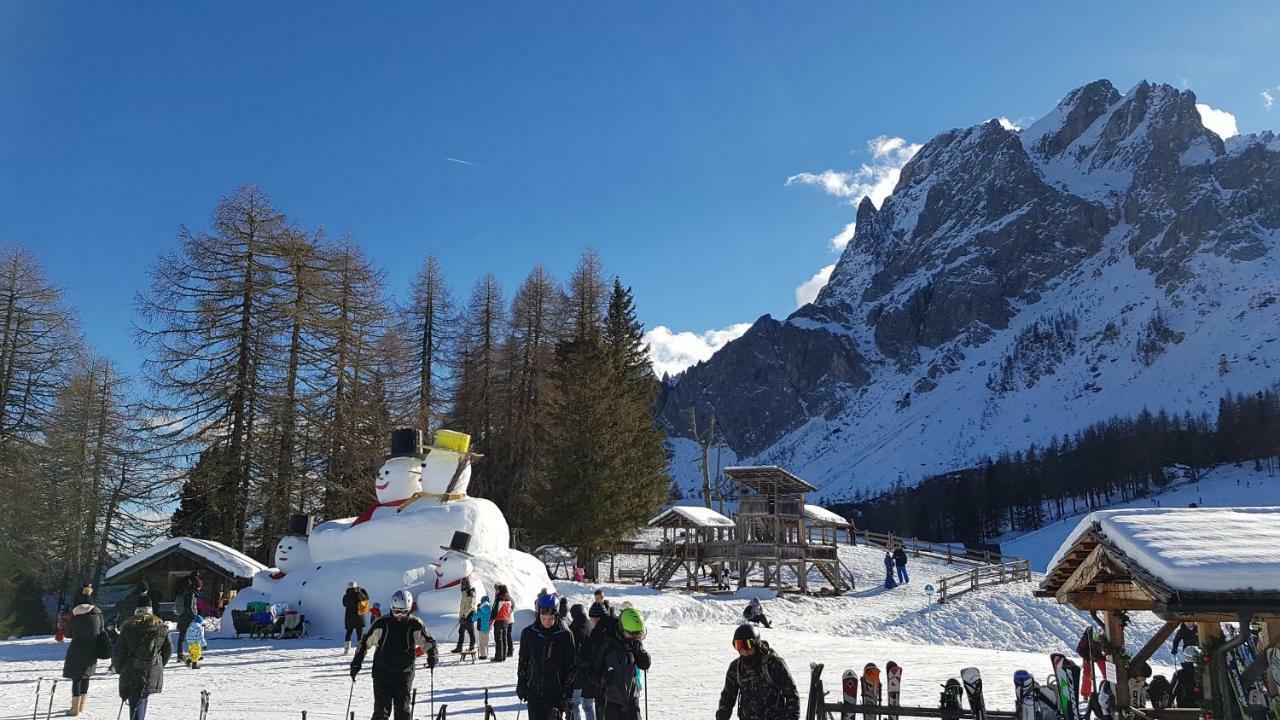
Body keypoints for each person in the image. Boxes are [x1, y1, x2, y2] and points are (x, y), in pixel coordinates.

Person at [350, 588, 438, 720]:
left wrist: (432, 654)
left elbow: (429, 641)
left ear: (409, 610)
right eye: (396, 611)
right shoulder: (381, 624)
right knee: (381, 711)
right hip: (382, 672)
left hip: (404, 672)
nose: (399, 615)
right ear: (391, 608)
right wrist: (357, 661)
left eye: (403, 612)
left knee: (402, 710)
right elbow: (364, 642)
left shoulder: (415, 624)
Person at [715, 624, 800, 720]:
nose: (743, 651)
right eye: (738, 645)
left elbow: (792, 695)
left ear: (756, 644)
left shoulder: (773, 664)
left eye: (747, 645)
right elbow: (727, 698)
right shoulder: (736, 667)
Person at [518, 593, 577, 720]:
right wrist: (521, 683)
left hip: (556, 693)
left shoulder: (565, 635)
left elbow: (571, 666)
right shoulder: (529, 633)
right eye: (543, 618)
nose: (547, 622)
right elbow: (523, 660)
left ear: (556, 615)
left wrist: (567, 694)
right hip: (534, 691)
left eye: (551, 618)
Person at [113, 593, 172, 720]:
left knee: (136, 699)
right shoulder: (161, 627)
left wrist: (119, 669)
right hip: (152, 668)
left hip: (132, 669)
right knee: (143, 697)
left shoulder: (129, 627)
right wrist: (159, 664)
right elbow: (168, 649)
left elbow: (119, 652)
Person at [592, 606, 651, 720]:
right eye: (633, 635)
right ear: (623, 629)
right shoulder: (605, 641)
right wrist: (601, 679)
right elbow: (589, 669)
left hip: (631, 699)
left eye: (638, 636)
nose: (635, 638)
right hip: (609, 702)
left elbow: (642, 662)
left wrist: (644, 658)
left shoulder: (633, 640)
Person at [62, 584, 105, 716]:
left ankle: (74, 708)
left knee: (77, 677)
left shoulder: (75, 615)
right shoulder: (98, 614)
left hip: (77, 648)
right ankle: (81, 706)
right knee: (86, 676)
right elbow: (101, 630)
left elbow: (68, 634)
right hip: (92, 648)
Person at [567, 603, 597, 720]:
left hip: (578, 674)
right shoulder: (590, 625)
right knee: (588, 706)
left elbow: (573, 652)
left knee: (574, 706)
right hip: (591, 673)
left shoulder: (574, 628)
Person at [173, 574, 197, 662]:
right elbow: (190, 607)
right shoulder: (189, 594)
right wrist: (194, 616)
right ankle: (193, 656)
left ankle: (180, 655)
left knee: (182, 637)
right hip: (188, 618)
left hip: (181, 617)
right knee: (192, 637)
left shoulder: (180, 594)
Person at [343, 580, 371, 653]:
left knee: (349, 633)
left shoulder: (346, 596)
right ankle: (360, 649)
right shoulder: (359, 594)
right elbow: (366, 598)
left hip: (349, 617)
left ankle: (346, 649)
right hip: (359, 616)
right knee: (360, 634)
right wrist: (360, 592)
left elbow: (344, 604)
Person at [453, 579, 478, 654]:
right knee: (461, 631)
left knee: (470, 631)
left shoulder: (470, 593)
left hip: (469, 615)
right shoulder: (464, 593)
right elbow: (463, 606)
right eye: (461, 584)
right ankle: (459, 647)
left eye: (463, 584)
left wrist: (464, 615)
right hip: (464, 615)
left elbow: (469, 606)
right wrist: (461, 616)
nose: (461, 586)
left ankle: (472, 646)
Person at [492, 585, 514, 662]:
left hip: (498, 621)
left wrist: (491, 621)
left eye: (498, 590)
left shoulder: (498, 600)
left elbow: (494, 611)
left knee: (498, 640)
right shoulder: (509, 599)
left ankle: (498, 657)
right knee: (504, 639)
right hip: (506, 620)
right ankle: (503, 656)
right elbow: (511, 609)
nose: (496, 591)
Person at [475, 595, 493, 660]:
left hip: (481, 627)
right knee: (486, 642)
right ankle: (487, 653)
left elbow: (475, 617)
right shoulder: (490, 609)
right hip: (488, 628)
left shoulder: (480, 609)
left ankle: (483, 655)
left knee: (481, 642)